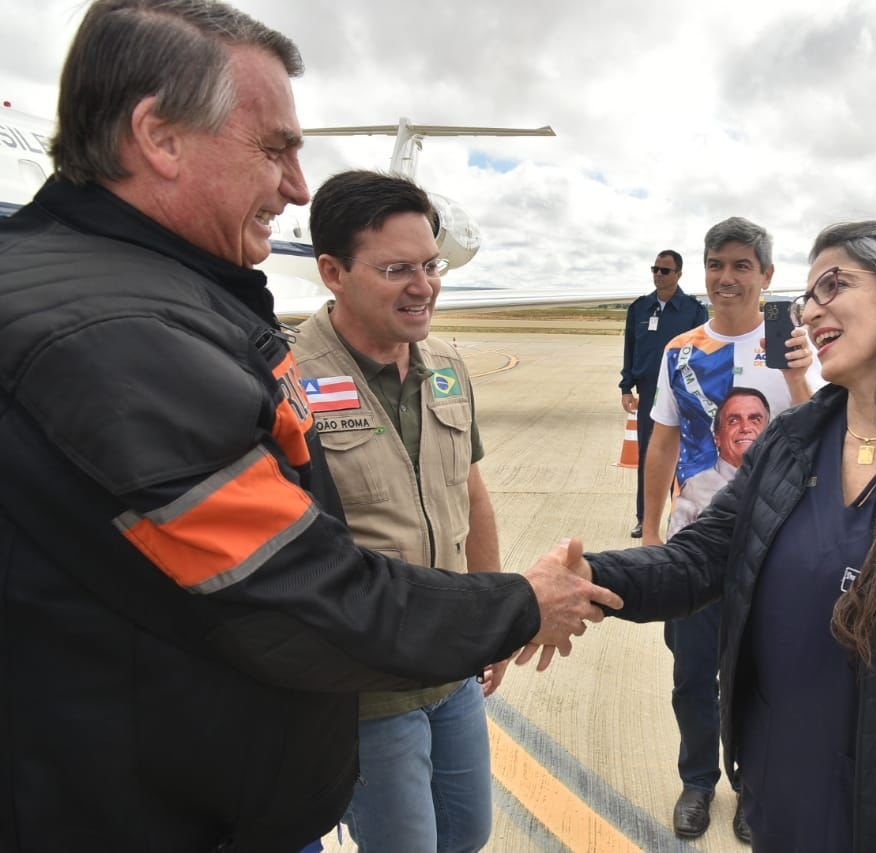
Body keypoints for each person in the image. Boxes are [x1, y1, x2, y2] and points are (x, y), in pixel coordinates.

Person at [0, 2, 619, 849]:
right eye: (275, 148)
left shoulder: (136, 301)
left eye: (431, 267)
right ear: (159, 137)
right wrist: (516, 603)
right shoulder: (121, 339)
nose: (296, 186)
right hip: (168, 798)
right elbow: (298, 602)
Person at [563, 220, 876, 850]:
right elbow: (699, 560)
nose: (810, 309)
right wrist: (587, 577)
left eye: (833, 285)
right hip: (783, 802)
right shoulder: (791, 442)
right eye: (809, 294)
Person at [291, 170, 501, 852]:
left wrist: (495, 612)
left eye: (431, 265)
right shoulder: (287, 380)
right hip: (366, 692)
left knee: (467, 832)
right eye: (397, 269)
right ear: (333, 271)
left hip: (454, 669)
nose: (425, 286)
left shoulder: (446, 364)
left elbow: (470, 493)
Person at [640, 216, 818, 843]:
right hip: (695, 545)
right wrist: (650, 532)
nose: (727, 277)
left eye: (743, 265)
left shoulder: (796, 348)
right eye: (717, 264)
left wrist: (800, 373)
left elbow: (820, 431)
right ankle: (697, 780)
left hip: (775, 546)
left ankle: (751, 786)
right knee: (691, 674)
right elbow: (661, 441)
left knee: (763, 676)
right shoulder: (682, 349)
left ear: (767, 276)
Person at [619, 250, 707, 537]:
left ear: (678, 274)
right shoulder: (640, 309)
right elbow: (630, 348)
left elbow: (702, 352)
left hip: (683, 392)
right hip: (648, 392)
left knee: (686, 457)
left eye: (665, 270)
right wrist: (626, 387)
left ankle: (681, 518)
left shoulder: (693, 310)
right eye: (655, 269)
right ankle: (645, 519)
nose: (658, 274)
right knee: (649, 456)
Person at [666, 387, 770, 534]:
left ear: (770, 433)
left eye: (755, 420)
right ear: (718, 437)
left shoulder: (785, 486)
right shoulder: (694, 489)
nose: (746, 428)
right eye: (733, 420)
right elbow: (677, 551)